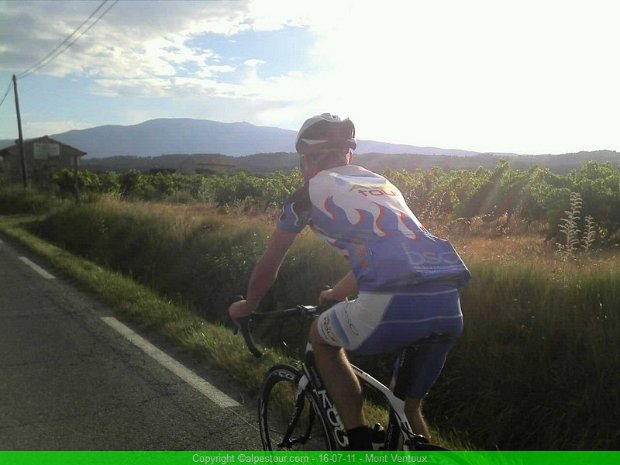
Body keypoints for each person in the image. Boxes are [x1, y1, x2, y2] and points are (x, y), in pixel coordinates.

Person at [228, 113, 470, 450]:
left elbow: (269, 265)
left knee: (321, 339)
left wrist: (248, 305)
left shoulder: (305, 196)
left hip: (390, 302)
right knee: (406, 409)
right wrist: (336, 293)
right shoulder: (382, 184)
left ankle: (356, 445)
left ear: (307, 158)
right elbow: (388, 252)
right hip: (448, 303)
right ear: (348, 155)